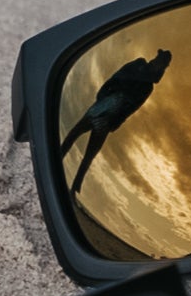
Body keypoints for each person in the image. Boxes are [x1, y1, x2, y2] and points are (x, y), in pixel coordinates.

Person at [61, 47, 171, 198]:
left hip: (111, 117)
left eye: (163, 63)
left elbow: (133, 108)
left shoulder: (148, 86)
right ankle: (57, 159)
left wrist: (116, 123)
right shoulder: (138, 65)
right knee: (74, 134)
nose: (159, 64)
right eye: (160, 60)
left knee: (90, 153)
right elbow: (116, 77)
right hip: (103, 105)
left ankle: (75, 189)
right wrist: (103, 96)